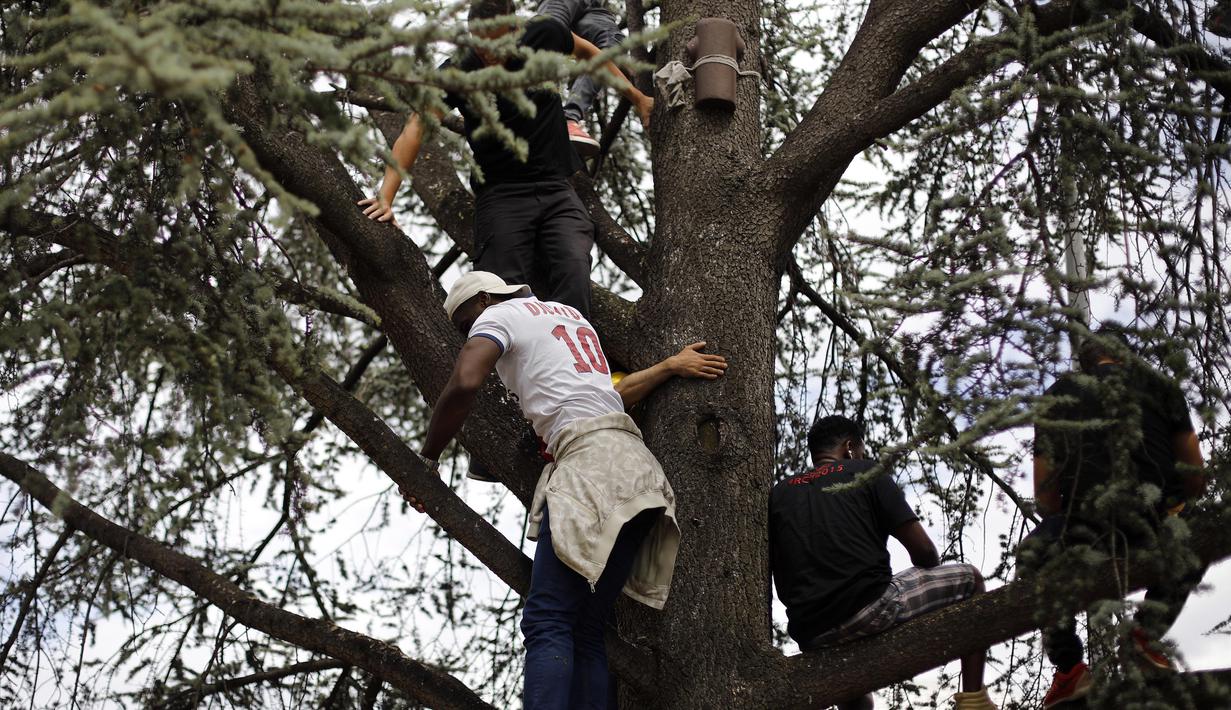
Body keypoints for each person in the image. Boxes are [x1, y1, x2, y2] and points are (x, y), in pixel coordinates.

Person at [407, 271, 723, 709]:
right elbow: (610, 394)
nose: (468, 334)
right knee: (586, 629)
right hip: (638, 471)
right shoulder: (570, 317)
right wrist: (669, 365)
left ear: (483, 299)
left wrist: (428, 458)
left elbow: (464, 381)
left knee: (548, 619)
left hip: (589, 466)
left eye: (465, 324)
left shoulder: (498, 315)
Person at [359, 0, 654, 318]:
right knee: (499, 293)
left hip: (557, 188)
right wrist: (386, 197)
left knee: (573, 267)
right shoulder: (460, 69)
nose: (487, 54)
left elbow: (589, 54)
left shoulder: (544, 33)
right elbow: (414, 128)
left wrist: (637, 99)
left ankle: (571, 355)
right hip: (502, 195)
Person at [1020, 324, 1208, 708]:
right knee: (1203, 530)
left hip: (1082, 531)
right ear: (1126, 357)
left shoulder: (1056, 397)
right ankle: (1145, 636)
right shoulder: (1161, 387)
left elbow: (1045, 497)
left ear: (1085, 363)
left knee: (1033, 555)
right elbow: (1196, 477)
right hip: (1154, 522)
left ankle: (1070, 669)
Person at [769, 415, 998, 710]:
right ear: (850, 447)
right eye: (861, 450)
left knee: (856, 699)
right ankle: (974, 702)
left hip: (812, 633)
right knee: (970, 580)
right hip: (870, 608)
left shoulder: (780, 493)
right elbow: (924, 553)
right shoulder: (866, 472)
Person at [535, 0, 634, 156]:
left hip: (594, 8)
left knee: (614, 44)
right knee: (549, 30)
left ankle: (569, 120)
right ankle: (535, 114)